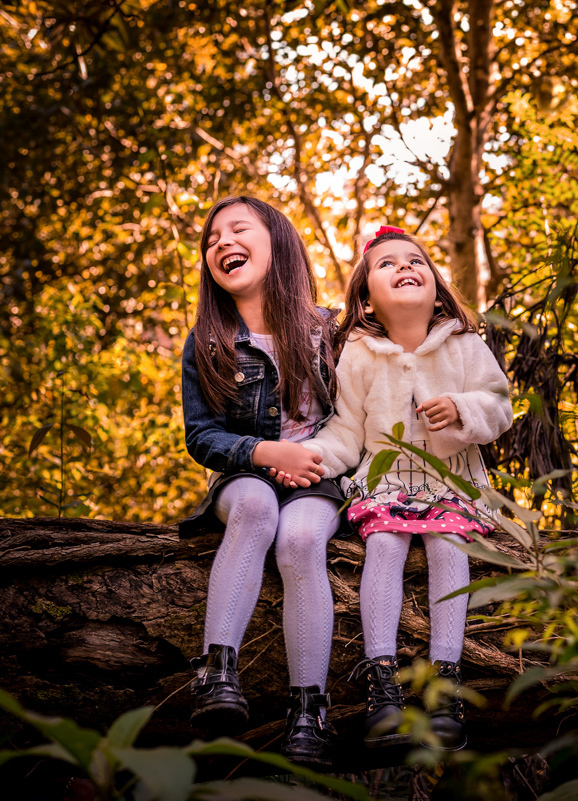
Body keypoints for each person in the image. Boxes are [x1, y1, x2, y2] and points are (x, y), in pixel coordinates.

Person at [285, 225, 512, 750]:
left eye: (416, 261)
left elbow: (498, 406)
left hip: (452, 480)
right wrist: (314, 457)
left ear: (435, 283)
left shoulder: (463, 343)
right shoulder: (360, 354)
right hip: (387, 482)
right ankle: (382, 687)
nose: (406, 267)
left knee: (450, 545)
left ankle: (445, 686)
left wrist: (462, 408)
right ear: (365, 296)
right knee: (383, 546)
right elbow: (345, 429)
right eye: (387, 264)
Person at [179, 195, 342, 768]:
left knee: (300, 541)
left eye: (237, 229)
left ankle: (309, 712)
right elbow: (201, 437)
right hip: (245, 476)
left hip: (317, 482)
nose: (221, 242)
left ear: (277, 241)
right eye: (211, 238)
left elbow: (361, 414)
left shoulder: (329, 332)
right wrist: (262, 451)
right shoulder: (205, 341)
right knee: (254, 507)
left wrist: (315, 457)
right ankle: (216, 674)